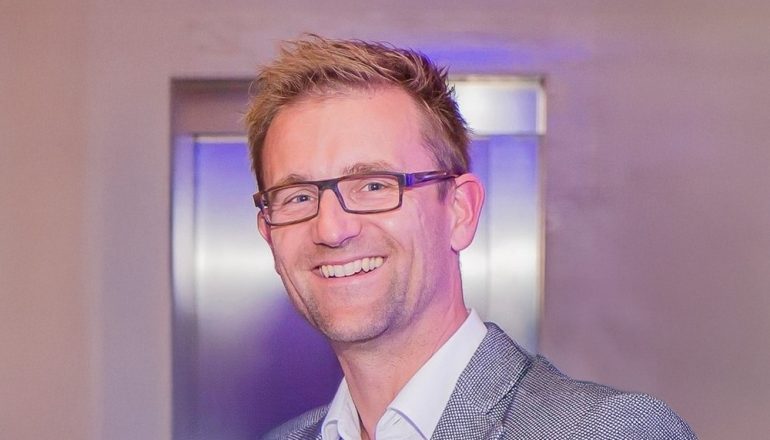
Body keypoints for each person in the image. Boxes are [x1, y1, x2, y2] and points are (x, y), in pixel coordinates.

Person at [245, 35, 696, 440]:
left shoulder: (609, 432)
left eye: (375, 186)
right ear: (269, 234)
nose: (331, 229)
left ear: (460, 211)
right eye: (297, 197)